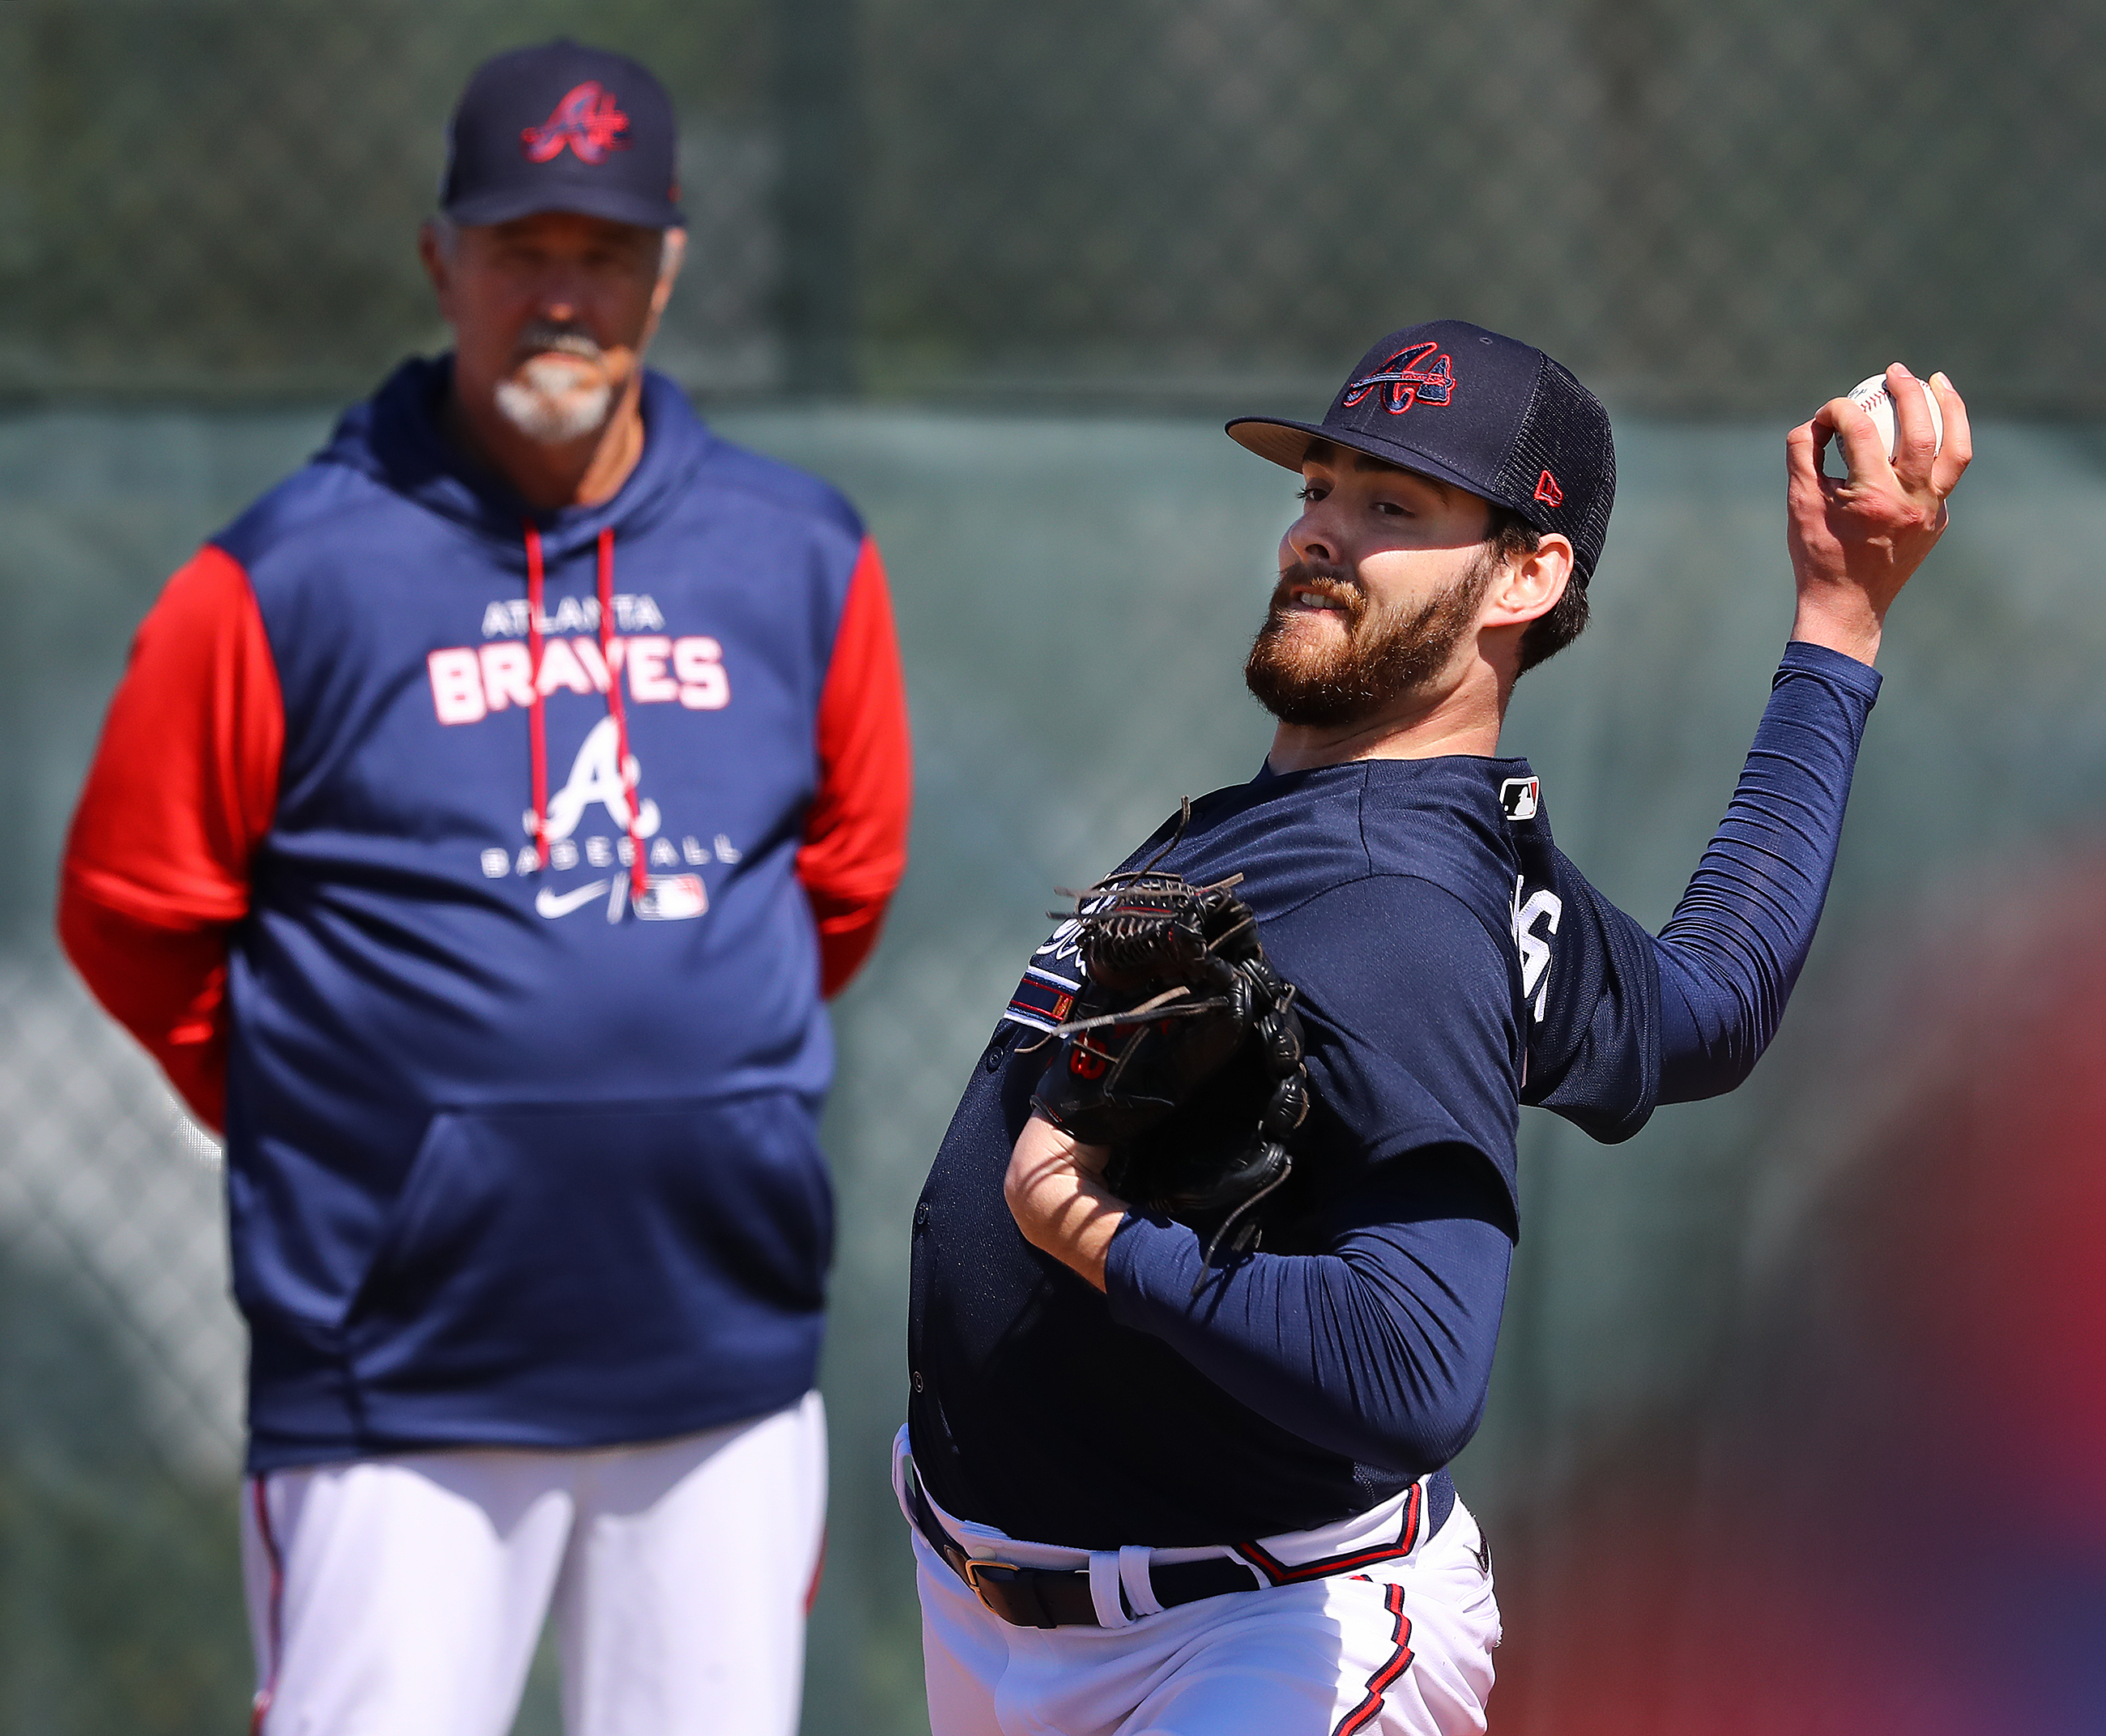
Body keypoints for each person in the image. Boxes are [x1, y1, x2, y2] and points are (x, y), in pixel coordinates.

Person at [898, 322, 1967, 1734]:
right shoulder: (1449, 850)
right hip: (1014, 1610)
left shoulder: (1397, 905)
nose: (1319, 535)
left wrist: (1096, 1234)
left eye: (1392, 506)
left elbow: (1415, 1367)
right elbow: (1709, 1004)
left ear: (1528, 571)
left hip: (1251, 1641)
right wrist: (1837, 625)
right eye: (1318, 489)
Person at [58, 40, 910, 1736]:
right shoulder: (284, 576)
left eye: (602, 252)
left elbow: (847, 877)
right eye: (523, 247)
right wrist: (354, 1112)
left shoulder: (799, 554)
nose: (562, 296)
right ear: (440, 258)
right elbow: (134, 909)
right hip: (398, 1383)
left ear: (667, 267)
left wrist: (672, 1078)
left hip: (716, 1367)